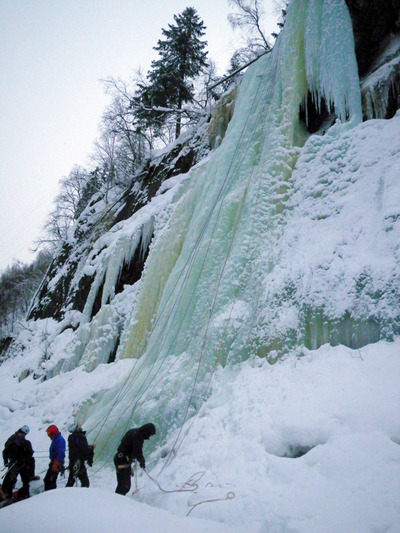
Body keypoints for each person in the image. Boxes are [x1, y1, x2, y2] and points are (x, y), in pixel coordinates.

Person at [114, 423, 156, 495]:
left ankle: (117, 500)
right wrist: (142, 462)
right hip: (122, 461)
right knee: (125, 486)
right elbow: (137, 452)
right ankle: (116, 502)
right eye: (150, 434)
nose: (149, 436)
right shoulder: (137, 436)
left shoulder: (134, 432)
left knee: (123, 484)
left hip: (121, 460)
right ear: (147, 431)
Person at [1, 425, 37, 501]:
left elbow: (30, 454)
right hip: (16, 464)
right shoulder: (14, 443)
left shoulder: (24, 443)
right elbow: (5, 452)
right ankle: (7, 495)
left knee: (20, 480)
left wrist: (24, 459)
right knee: (12, 480)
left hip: (20, 464)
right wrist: (6, 461)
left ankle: (21, 494)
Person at [65, 420, 95, 488]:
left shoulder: (71, 437)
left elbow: (78, 448)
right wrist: (92, 447)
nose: (80, 426)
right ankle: (80, 497)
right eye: (78, 425)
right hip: (79, 463)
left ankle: (66, 495)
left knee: (70, 483)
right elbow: (85, 450)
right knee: (85, 484)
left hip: (73, 463)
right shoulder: (80, 437)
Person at [44, 425, 66, 491]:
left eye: (49, 434)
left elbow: (61, 452)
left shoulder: (60, 440)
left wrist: (56, 463)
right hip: (54, 462)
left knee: (51, 480)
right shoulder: (55, 439)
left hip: (57, 463)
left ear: (53, 433)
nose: (48, 436)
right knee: (47, 480)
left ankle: (51, 495)